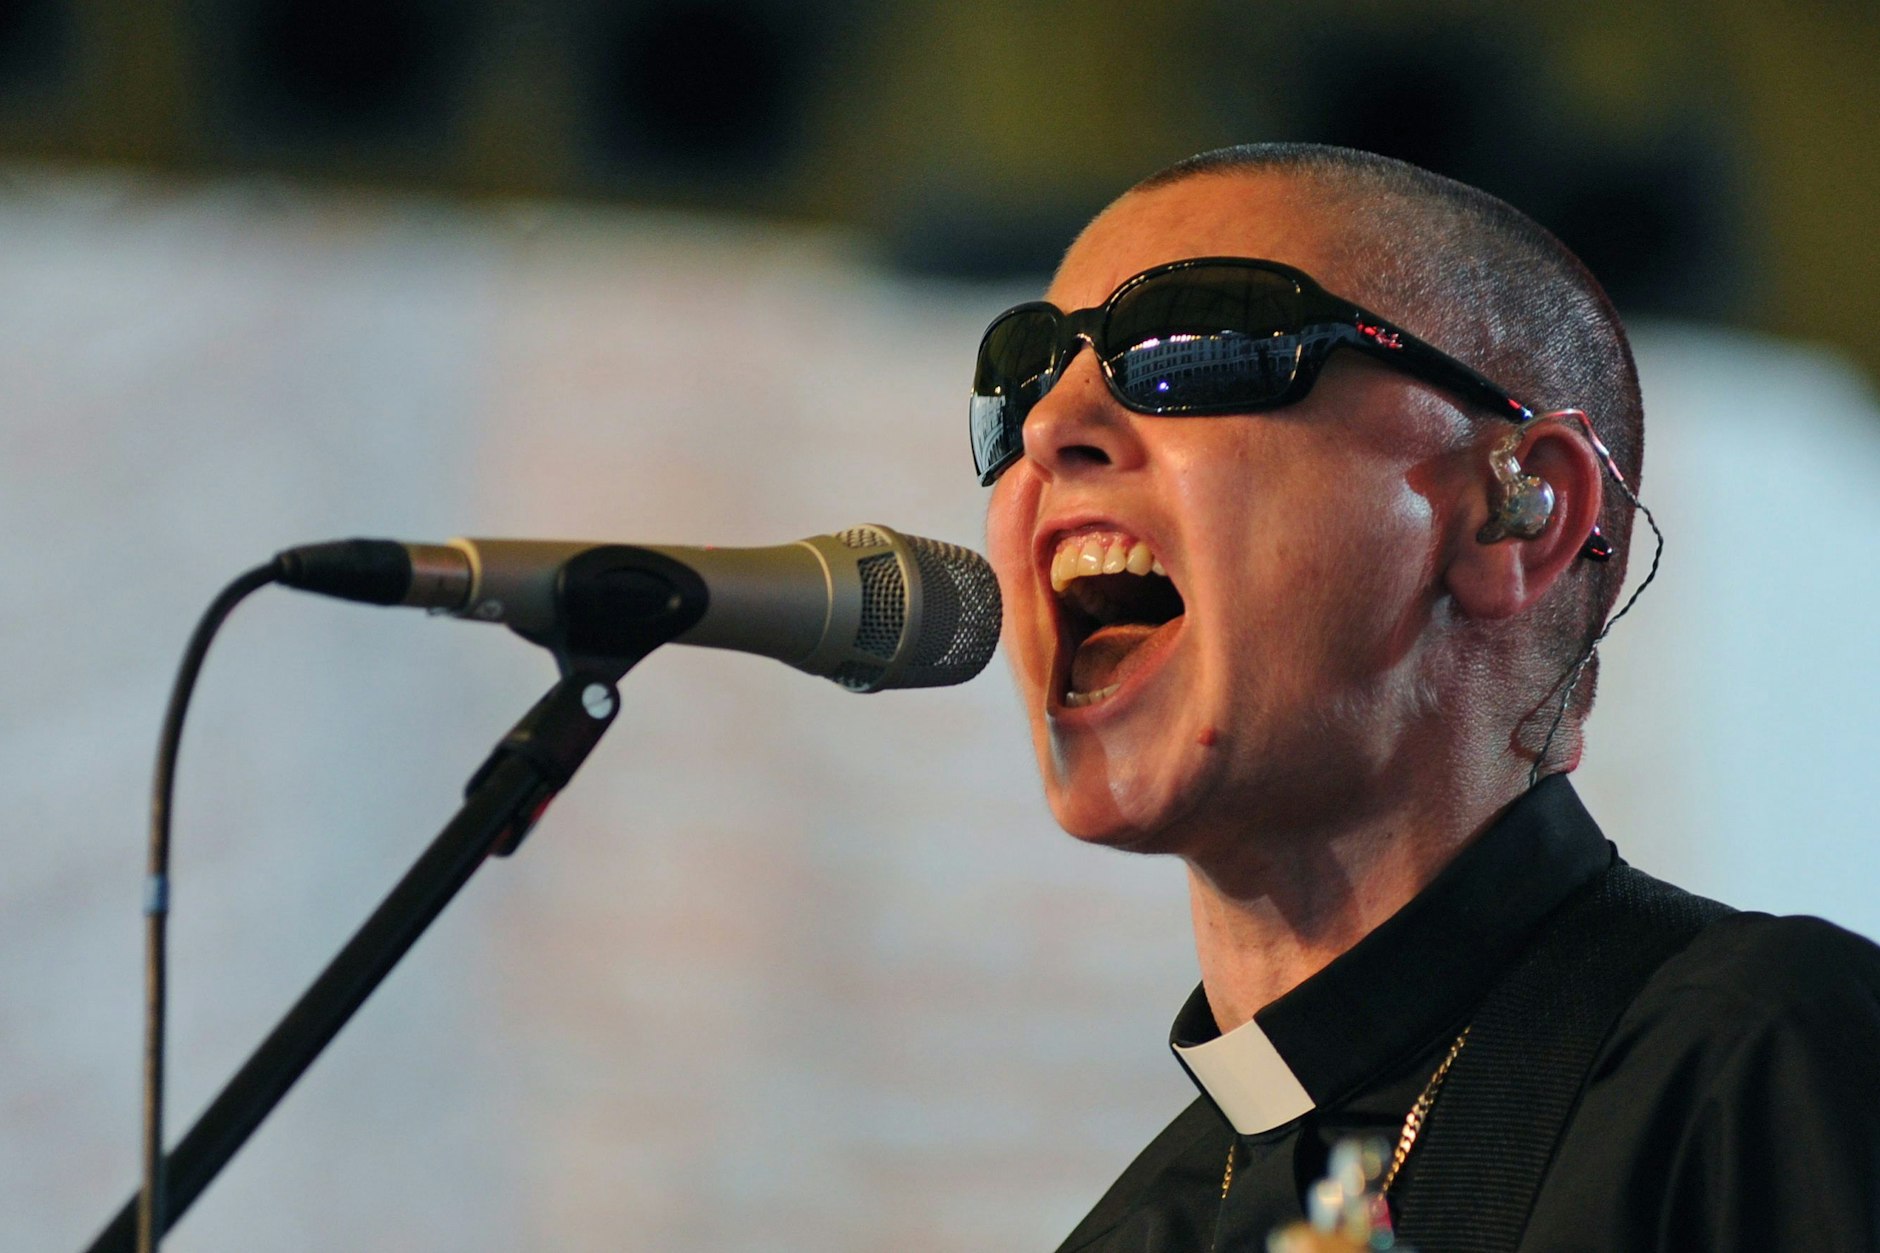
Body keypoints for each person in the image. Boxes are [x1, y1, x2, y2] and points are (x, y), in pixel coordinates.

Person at [970, 143, 1880, 1250]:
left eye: (1190, 351)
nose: (1045, 427)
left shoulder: (1753, 1057)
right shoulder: (1138, 1227)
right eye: (1019, 381)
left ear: (1521, 510)